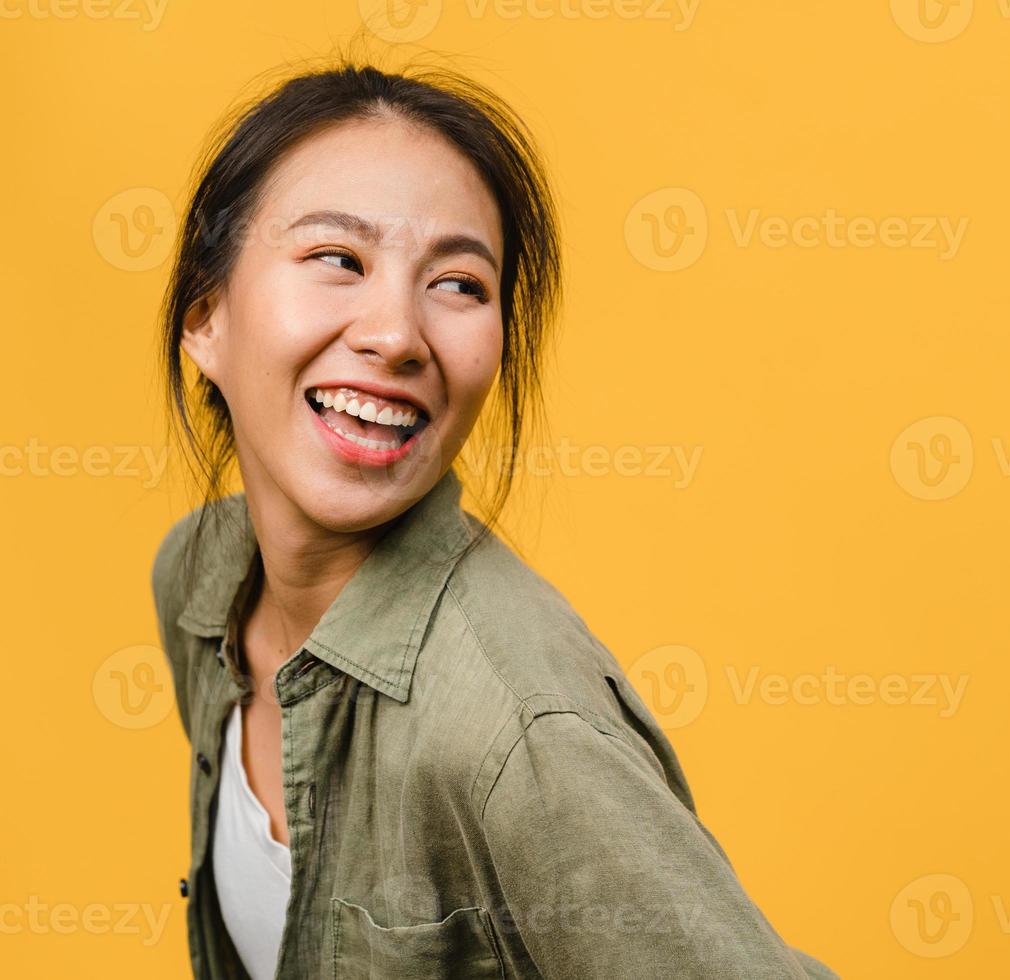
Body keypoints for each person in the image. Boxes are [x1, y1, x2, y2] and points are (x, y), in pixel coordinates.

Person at [150, 59, 836, 979]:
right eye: (337, 260)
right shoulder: (198, 579)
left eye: (461, 285)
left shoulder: (516, 730)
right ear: (205, 319)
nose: (396, 334)